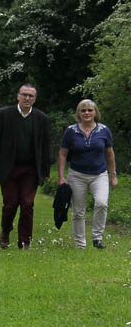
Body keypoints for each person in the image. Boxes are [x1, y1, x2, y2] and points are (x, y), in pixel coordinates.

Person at [0, 83, 51, 249]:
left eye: (31, 96)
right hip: (9, 168)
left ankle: (25, 240)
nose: (27, 98)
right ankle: (5, 231)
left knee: (27, 204)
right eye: (24, 95)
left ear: (35, 99)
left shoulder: (41, 118)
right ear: (18, 96)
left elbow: (45, 146)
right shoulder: (4, 114)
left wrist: (45, 171)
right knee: (11, 203)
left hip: (31, 169)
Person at [58, 99, 117, 249]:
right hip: (77, 175)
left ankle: (97, 238)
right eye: (83, 110)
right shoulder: (71, 131)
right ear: (78, 113)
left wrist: (113, 175)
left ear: (95, 112)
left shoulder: (104, 130)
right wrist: (61, 176)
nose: (87, 113)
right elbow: (63, 154)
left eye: (90, 110)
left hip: (100, 175)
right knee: (78, 211)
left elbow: (110, 154)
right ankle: (80, 244)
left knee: (102, 203)